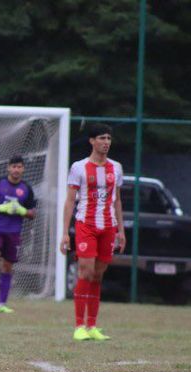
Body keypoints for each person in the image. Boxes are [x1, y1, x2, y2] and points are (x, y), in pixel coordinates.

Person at [60, 123, 126, 341]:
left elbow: (117, 201)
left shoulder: (116, 168)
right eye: (101, 138)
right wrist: (64, 233)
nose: (106, 142)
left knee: (97, 276)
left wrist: (121, 231)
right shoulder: (79, 167)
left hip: (108, 227)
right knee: (85, 272)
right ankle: (79, 326)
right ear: (91, 141)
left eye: (108, 138)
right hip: (85, 225)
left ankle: (92, 326)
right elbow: (70, 201)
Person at [0, 155, 36, 314]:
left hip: (14, 232)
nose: (16, 170)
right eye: (14, 166)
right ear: (8, 168)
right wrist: (2, 208)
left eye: (19, 167)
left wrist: (22, 210)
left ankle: (2, 303)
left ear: (23, 169)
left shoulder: (27, 189)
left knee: (7, 266)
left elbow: (32, 213)